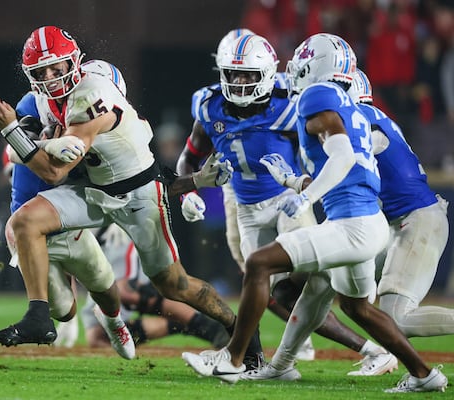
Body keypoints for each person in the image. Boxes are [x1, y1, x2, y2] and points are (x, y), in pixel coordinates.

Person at [0, 25, 267, 370]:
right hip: (93, 191)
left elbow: (54, 172)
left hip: (137, 196)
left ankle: (239, 328)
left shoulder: (92, 95)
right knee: (25, 221)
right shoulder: (43, 100)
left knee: (173, 284)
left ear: (76, 62)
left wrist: (14, 133)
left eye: (57, 67)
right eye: (42, 71)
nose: (51, 76)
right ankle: (38, 316)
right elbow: (28, 156)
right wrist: (32, 139)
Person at [181, 33, 448, 393]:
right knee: (354, 307)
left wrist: (305, 199)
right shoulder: (348, 109)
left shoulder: (318, 96)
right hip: (367, 223)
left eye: (300, 62)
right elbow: (349, 168)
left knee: (260, 263)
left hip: (356, 224)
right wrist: (293, 181)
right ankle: (424, 374)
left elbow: (343, 158)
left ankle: (231, 359)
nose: (290, 70)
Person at [0, 61, 137, 359]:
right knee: (64, 311)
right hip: (33, 219)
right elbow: (16, 153)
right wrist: (40, 140)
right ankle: (45, 316)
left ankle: (113, 320)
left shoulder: (100, 126)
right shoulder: (36, 103)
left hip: (68, 221)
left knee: (104, 286)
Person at [347, 68, 454, 337]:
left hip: (417, 220)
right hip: (405, 221)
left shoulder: (365, 125)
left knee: (397, 317)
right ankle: (383, 357)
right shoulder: (375, 119)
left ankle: (415, 372)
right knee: (345, 289)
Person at [81, 223, 229, 349]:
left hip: (118, 232)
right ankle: (189, 324)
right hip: (99, 239)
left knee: (126, 291)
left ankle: (212, 327)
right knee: (97, 337)